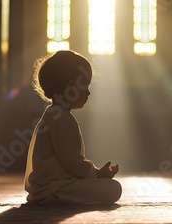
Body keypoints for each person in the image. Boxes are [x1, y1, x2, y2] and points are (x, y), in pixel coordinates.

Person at [24, 50, 122, 206]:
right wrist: (96, 174)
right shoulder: (59, 117)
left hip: (56, 183)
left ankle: (55, 196)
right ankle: (56, 197)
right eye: (85, 86)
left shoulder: (56, 114)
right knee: (113, 188)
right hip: (55, 186)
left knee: (110, 187)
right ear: (70, 87)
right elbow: (70, 160)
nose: (89, 93)